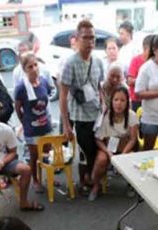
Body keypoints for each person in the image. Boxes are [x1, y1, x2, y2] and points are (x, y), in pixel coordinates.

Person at [59, 20, 104, 193]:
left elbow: (100, 87)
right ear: (77, 39)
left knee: (95, 148)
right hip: (80, 116)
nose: (90, 42)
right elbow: (63, 94)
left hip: (97, 115)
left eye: (92, 38)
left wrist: (104, 106)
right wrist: (66, 123)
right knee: (85, 151)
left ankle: (93, 180)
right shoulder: (70, 63)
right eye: (86, 38)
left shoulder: (98, 61)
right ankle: (85, 182)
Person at [14, 52, 53, 194]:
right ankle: (35, 180)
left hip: (45, 124)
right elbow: (17, 108)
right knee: (34, 156)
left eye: (35, 65)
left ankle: (49, 177)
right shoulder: (21, 87)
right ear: (25, 70)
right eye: (30, 67)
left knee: (47, 154)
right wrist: (24, 123)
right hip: (31, 128)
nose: (34, 69)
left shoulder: (43, 81)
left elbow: (46, 97)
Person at [91, 86, 138, 200]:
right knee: (101, 160)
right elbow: (98, 139)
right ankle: (96, 185)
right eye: (116, 100)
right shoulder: (105, 116)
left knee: (131, 158)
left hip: (125, 146)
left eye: (122, 100)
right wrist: (108, 153)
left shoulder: (131, 115)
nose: (119, 103)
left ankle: (131, 185)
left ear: (127, 102)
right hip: (108, 147)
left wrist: (123, 154)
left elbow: (133, 139)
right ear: (111, 101)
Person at [127, 34, 153, 112]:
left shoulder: (156, 62)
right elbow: (130, 81)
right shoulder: (136, 60)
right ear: (145, 49)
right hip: (137, 100)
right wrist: (143, 80)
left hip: (151, 99)